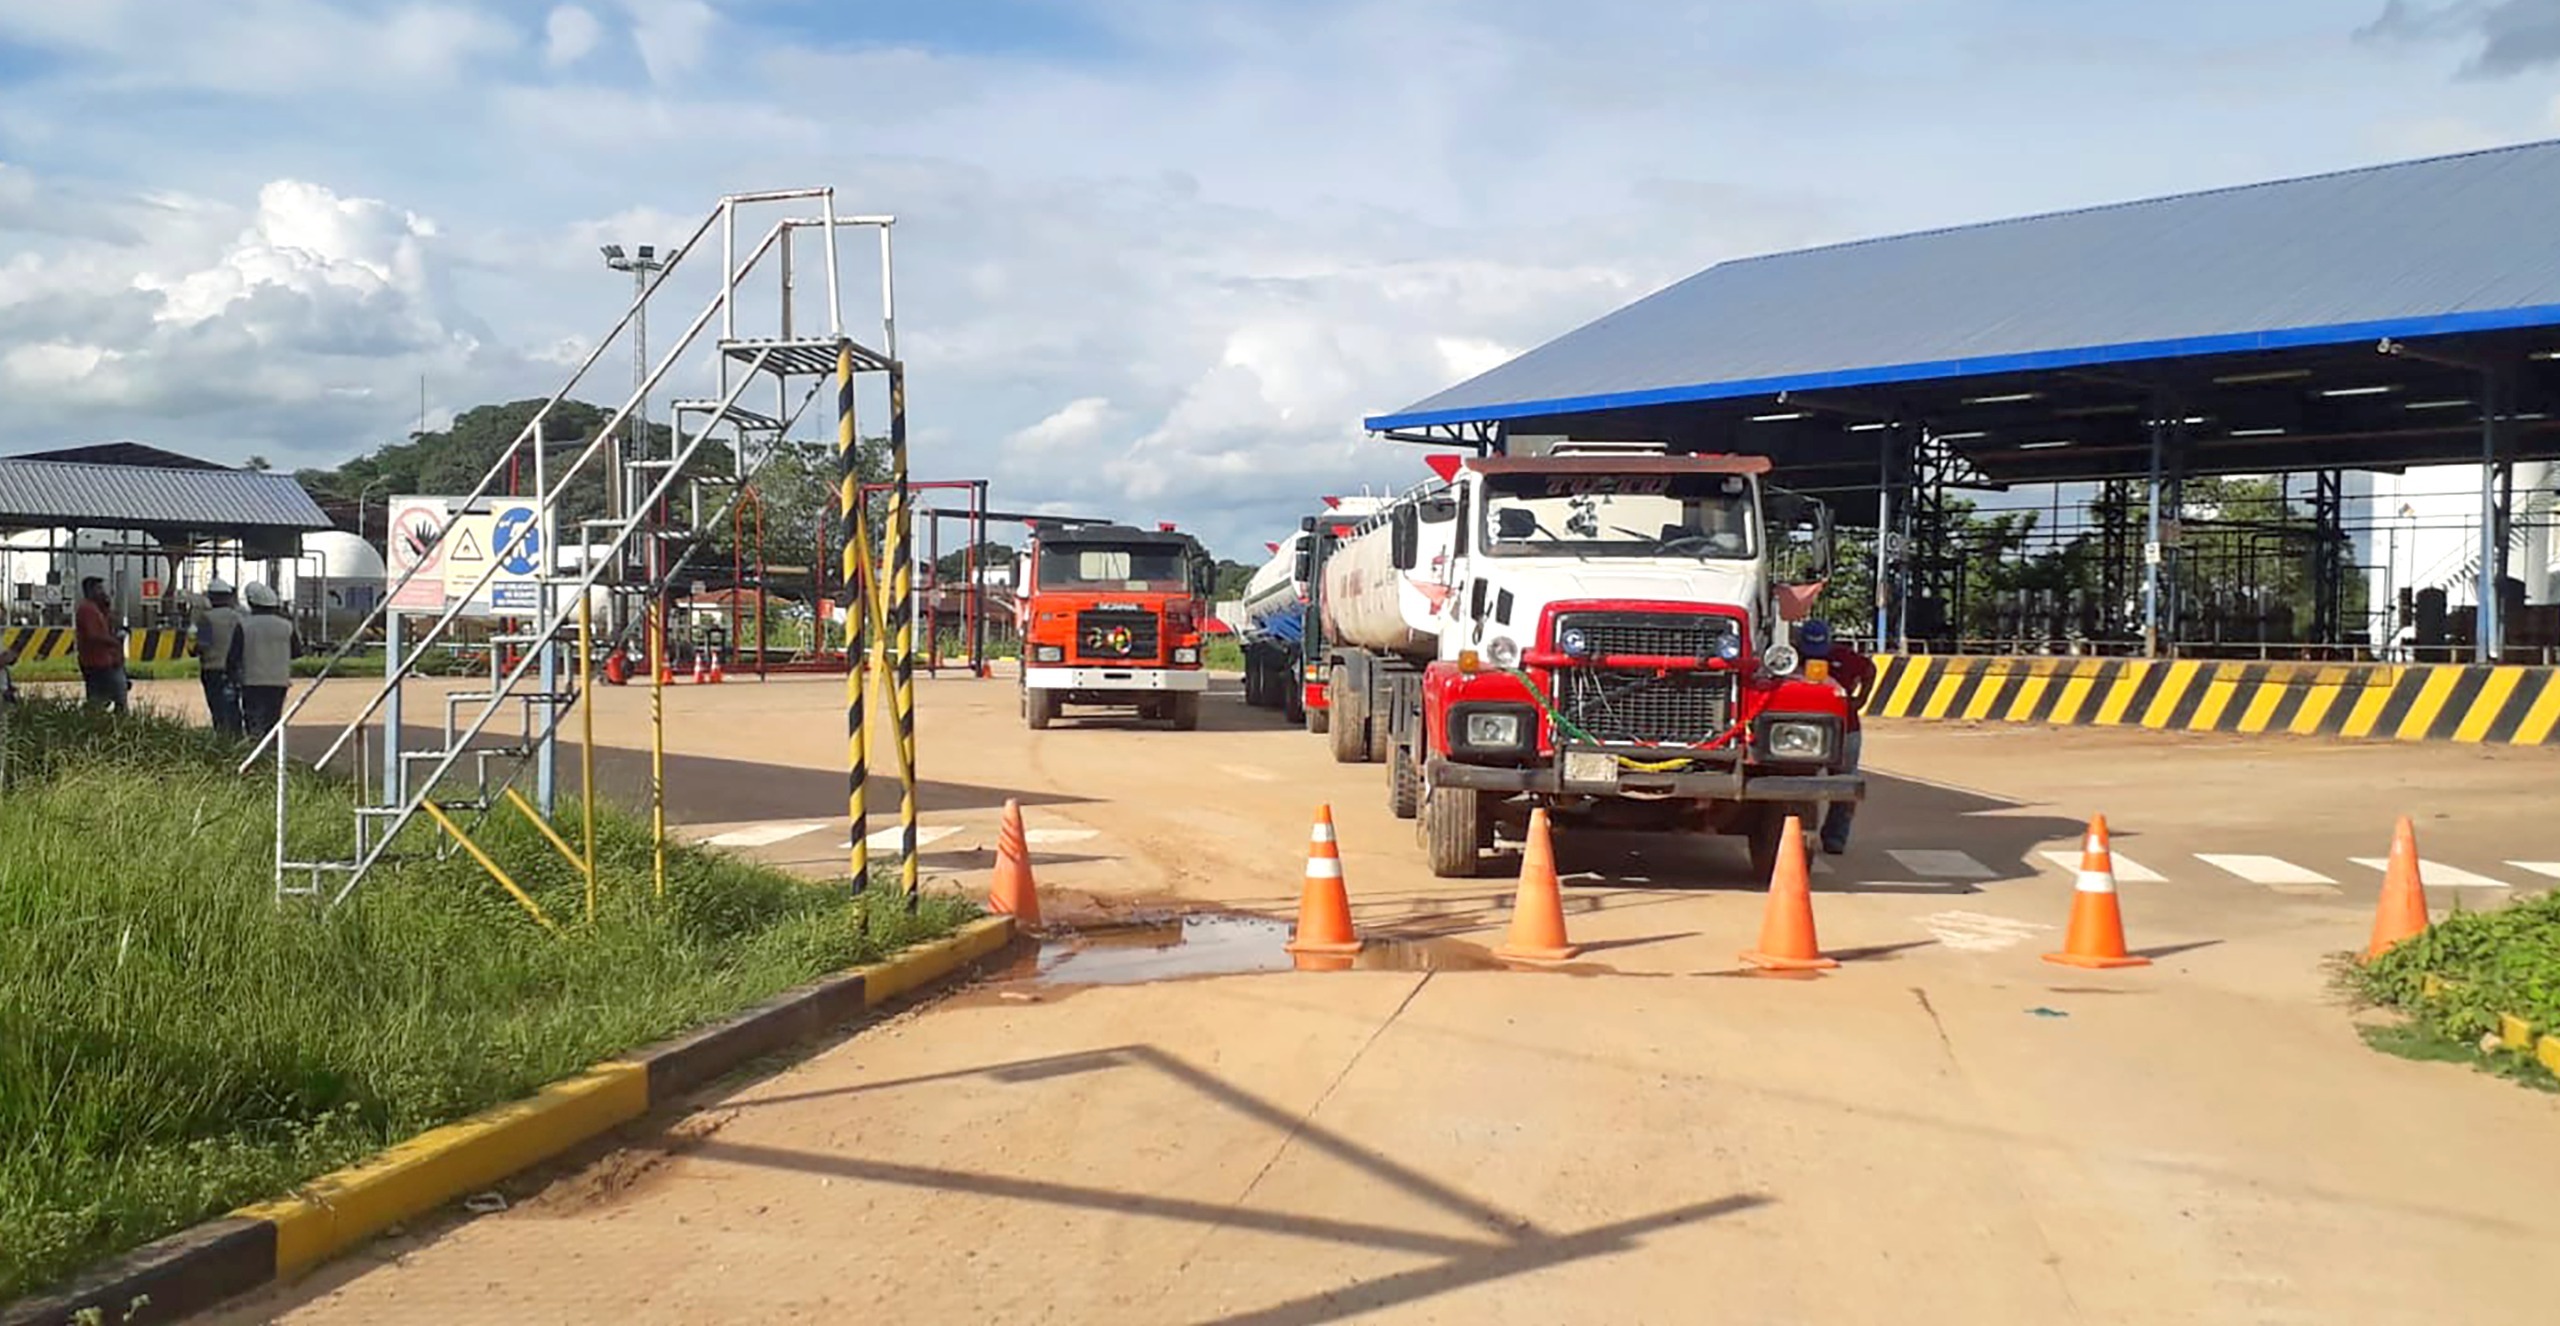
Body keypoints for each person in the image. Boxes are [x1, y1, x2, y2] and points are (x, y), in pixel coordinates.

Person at [1799, 619, 1875, 855]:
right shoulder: (1790, 658)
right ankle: (1795, 833)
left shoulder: (1845, 657)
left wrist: (1861, 699)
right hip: (1802, 730)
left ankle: (1835, 837)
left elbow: (1870, 670)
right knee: (1799, 781)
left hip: (1845, 729)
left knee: (1843, 784)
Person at [236, 582, 301, 742]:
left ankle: (254, 747)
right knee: (273, 717)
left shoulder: (244, 625)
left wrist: (234, 675)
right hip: (279, 681)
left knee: (253, 717)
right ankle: (272, 748)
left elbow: (234, 655)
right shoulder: (287, 626)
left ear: (251, 603)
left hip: (251, 680)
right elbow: (296, 652)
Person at [192, 579, 247, 737]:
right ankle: (237, 736)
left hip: (212, 668)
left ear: (211, 597)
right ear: (228, 597)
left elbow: (202, 644)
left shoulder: (206, 618)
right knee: (233, 704)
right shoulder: (239, 617)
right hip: (236, 668)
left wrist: (193, 649)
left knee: (217, 706)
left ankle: (222, 736)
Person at [73, 576, 127, 712]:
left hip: (107, 661)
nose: (103, 592)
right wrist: (113, 642)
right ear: (90, 591)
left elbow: (109, 626)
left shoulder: (98, 610)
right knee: (113, 698)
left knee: (107, 698)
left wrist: (107, 609)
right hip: (98, 662)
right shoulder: (87, 610)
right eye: (99, 589)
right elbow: (93, 635)